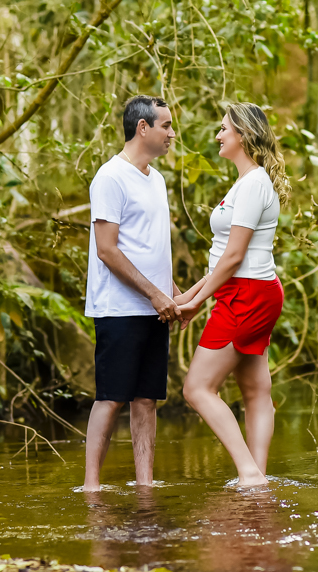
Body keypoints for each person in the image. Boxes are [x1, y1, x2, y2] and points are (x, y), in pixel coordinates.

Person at [175, 103, 290, 488]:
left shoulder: (255, 183)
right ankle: (258, 480)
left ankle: (249, 474)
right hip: (244, 291)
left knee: (196, 389)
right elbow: (220, 262)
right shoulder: (245, 183)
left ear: (242, 134)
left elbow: (234, 256)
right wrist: (190, 299)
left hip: (248, 294)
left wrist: (196, 301)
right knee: (256, 390)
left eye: (224, 128)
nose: (218, 135)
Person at [83, 95, 180, 492]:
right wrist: (155, 294)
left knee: (146, 400)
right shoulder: (109, 177)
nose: (172, 134)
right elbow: (107, 250)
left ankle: (145, 484)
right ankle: (91, 486)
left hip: (154, 309)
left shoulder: (155, 179)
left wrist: (173, 294)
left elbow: (152, 247)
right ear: (143, 128)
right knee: (111, 397)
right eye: (166, 126)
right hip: (118, 308)